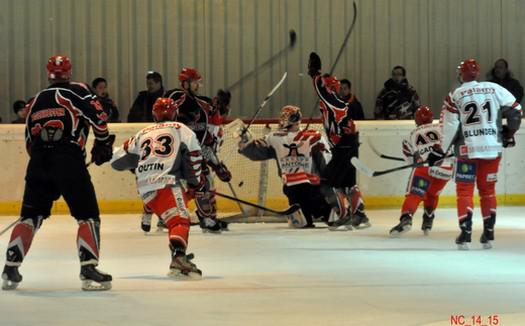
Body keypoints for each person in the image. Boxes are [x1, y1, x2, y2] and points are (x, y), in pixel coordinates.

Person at [1, 55, 115, 291]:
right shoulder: (77, 91)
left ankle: (11, 267)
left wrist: (46, 170)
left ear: (48, 74)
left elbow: (29, 140)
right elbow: (100, 118)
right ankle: (88, 268)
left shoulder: (36, 100)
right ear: (69, 72)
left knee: (30, 217)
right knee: (88, 215)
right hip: (68, 157)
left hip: (39, 161)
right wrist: (102, 144)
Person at [428, 59, 522, 250]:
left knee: (464, 190)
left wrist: (440, 150)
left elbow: (450, 126)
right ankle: (488, 232)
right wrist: (509, 133)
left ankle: (466, 231)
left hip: (466, 151)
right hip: (491, 149)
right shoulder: (494, 88)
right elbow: (516, 110)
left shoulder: (455, 94)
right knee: (487, 191)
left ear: (461, 74)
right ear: (477, 73)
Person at [111, 97, 204, 279]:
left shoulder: (142, 133)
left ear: (154, 115)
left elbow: (116, 161)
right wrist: (196, 183)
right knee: (180, 221)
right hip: (166, 183)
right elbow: (194, 155)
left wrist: (138, 167)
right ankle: (179, 258)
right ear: (175, 113)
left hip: (146, 191)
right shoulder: (181, 129)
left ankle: (178, 256)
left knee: (174, 219)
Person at [307, 52, 370, 231]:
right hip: (348, 143)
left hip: (344, 145)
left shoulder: (332, 101)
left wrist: (315, 72)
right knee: (348, 182)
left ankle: (344, 215)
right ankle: (359, 213)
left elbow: (319, 88)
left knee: (330, 180)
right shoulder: (336, 102)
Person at [238, 105, 329, 228]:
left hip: (310, 188)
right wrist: (245, 142)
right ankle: (320, 212)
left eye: (285, 116)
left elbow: (325, 162)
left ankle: (329, 212)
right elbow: (257, 151)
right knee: (305, 221)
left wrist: (244, 145)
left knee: (324, 215)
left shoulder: (309, 137)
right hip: (295, 189)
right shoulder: (277, 138)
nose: (282, 120)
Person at [164, 68, 231, 233]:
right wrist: (179, 118)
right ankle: (171, 215)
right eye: (195, 82)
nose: (197, 86)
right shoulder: (175, 96)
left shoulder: (203, 103)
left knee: (208, 181)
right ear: (185, 83)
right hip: (178, 154)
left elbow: (215, 117)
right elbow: (162, 113)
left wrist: (222, 106)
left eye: (198, 82)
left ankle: (209, 217)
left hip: (196, 152)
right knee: (196, 184)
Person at [389, 105, 452, 237]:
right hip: (445, 170)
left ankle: (406, 219)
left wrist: (416, 161)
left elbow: (411, 161)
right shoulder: (442, 129)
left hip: (425, 169)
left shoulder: (411, 135)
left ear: (416, 120)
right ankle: (428, 219)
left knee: (415, 194)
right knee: (433, 194)